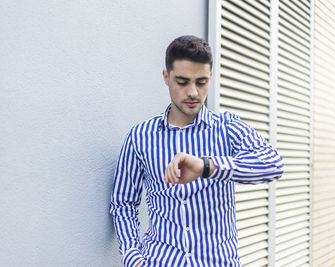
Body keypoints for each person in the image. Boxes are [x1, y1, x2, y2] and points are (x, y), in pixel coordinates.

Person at [109, 35, 284, 267]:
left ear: (210, 77)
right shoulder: (140, 137)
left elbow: (273, 164)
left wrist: (207, 166)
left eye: (201, 82)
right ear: (166, 77)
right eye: (182, 82)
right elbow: (123, 203)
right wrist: (133, 257)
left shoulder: (227, 127)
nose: (193, 92)